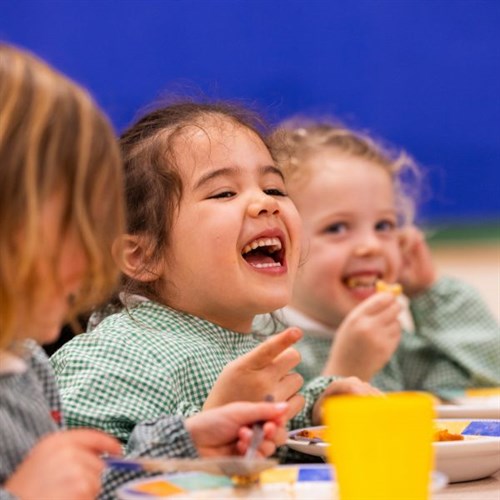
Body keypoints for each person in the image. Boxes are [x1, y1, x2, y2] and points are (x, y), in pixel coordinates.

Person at [0, 45, 297, 500]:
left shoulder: (26, 365)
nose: (94, 258)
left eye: (275, 186)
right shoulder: (115, 355)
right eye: (76, 225)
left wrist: (187, 448)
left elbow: (91, 481)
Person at [51, 102, 377, 459]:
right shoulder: (117, 355)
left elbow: (273, 445)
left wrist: (319, 405)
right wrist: (205, 430)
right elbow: (77, 478)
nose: (264, 203)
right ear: (143, 257)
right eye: (224, 193)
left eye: (274, 189)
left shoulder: (250, 343)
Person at [264, 118, 500, 400]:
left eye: (384, 226)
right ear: (277, 243)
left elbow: (483, 384)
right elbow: (270, 438)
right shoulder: (261, 346)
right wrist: (348, 370)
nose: (371, 246)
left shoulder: (392, 344)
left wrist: (430, 292)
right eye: (337, 228)